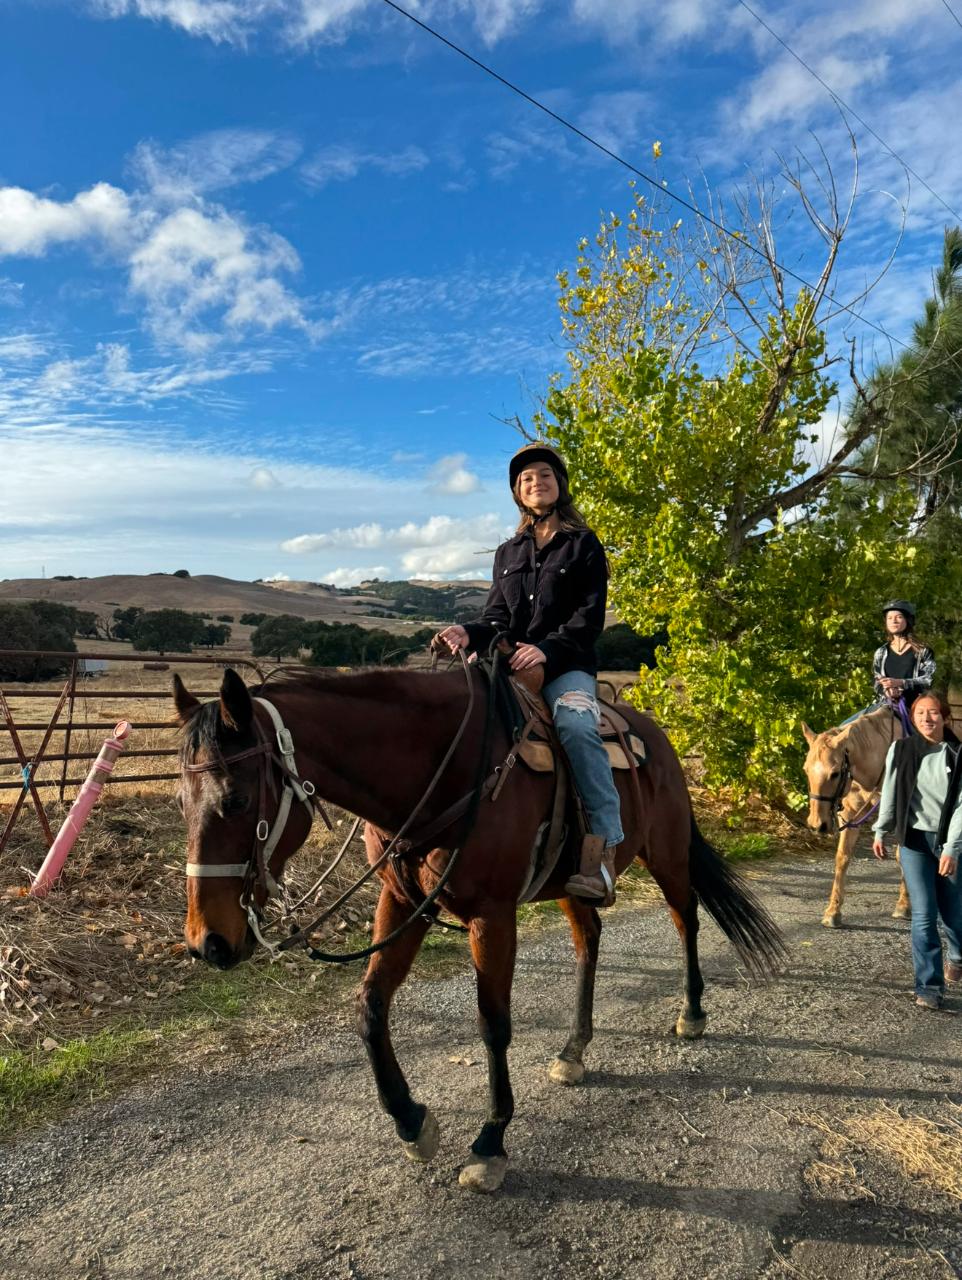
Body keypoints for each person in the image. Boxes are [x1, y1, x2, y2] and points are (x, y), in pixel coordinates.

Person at [438, 442, 624, 906]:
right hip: (506, 666)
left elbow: (588, 619)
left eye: (543, 475)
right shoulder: (508, 552)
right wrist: (467, 631)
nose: (534, 483)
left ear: (558, 485)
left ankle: (602, 852)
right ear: (518, 495)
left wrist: (544, 651)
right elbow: (496, 617)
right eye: (525, 480)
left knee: (577, 728)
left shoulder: (583, 544)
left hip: (565, 666)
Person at [872, 691, 962, 1009]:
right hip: (914, 842)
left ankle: (958, 954)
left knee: (954, 913)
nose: (927, 718)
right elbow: (891, 790)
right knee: (924, 914)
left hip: (951, 842)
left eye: (934, 712)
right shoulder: (901, 749)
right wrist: (881, 829)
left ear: (946, 717)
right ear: (913, 717)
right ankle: (929, 987)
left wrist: (952, 848)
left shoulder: (957, 754)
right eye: (920, 712)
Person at [872, 600, 936, 710]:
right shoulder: (880, 652)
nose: (894, 621)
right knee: (848, 724)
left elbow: (928, 680)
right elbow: (876, 681)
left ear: (908, 620)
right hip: (886, 706)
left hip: (915, 707)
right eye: (889, 618)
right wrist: (887, 691)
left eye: (899, 617)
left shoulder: (923, 651)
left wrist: (901, 683)